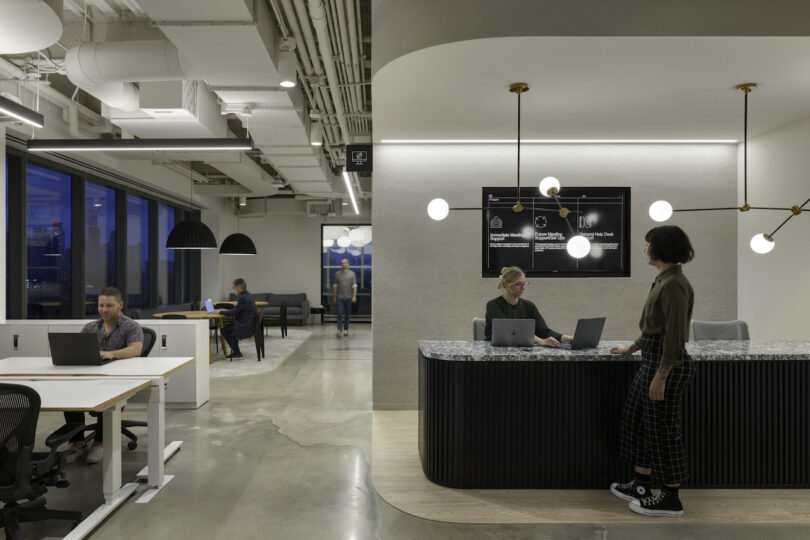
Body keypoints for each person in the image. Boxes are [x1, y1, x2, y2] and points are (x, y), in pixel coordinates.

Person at [609, 225, 696, 517]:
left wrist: (662, 374)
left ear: (662, 249)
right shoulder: (663, 278)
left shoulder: (674, 284)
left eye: (648, 245)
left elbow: (674, 334)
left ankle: (671, 498)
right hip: (652, 359)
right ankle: (642, 485)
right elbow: (653, 327)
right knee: (639, 422)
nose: (645, 250)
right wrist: (632, 348)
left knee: (662, 431)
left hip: (664, 364)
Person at [65, 287, 144, 464]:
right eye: (101, 305)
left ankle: (100, 443)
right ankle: (78, 444)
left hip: (120, 380)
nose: (104, 309)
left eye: (109, 305)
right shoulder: (90, 327)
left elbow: (136, 349)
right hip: (91, 376)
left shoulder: (131, 326)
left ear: (120, 305)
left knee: (108, 396)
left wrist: (112, 354)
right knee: (68, 393)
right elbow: (79, 350)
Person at [484, 266, 572, 346]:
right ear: (506, 284)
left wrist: (566, 338)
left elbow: (545, 332)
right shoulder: (493, 305)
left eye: (524, 283)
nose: (523, 288)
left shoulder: (529, 306)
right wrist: (540, 341)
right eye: (518, 284)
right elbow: (511, 332)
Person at [215, 278, 257, 360]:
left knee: (224, 330)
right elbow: (237, 310)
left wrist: (220, 312)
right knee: (228, 328)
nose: (233, 289)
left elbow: (234, 313)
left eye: (234, 287)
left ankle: (237, 352)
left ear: (238, 287)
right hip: (248, 324)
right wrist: (226, 310)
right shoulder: (248, 295)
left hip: (245, 326)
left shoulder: (243, 298)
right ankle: (236, 351)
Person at [332, 259, 357, 337]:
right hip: (340, 297)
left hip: (349, 297)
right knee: (339, 313)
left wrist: (354, 296)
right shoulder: (337, 274)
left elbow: (355, 286)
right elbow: (335, 286)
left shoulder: (352, 274)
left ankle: (346, 330)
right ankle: (339, 329)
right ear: (341, 264)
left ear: (348, 264)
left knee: (347, 315)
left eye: (345, 263)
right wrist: (334, 297)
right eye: (342, 263)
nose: (344, 264)